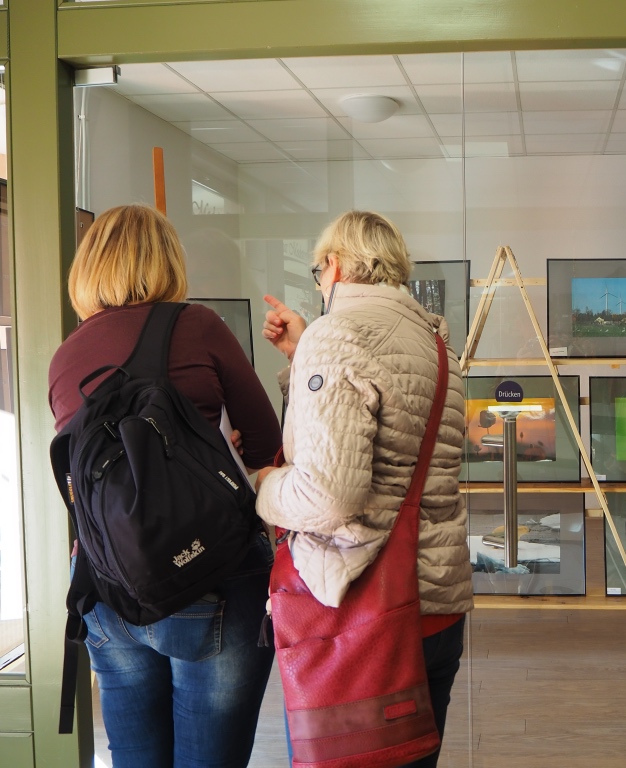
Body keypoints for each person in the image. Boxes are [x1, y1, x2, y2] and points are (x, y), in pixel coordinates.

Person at [48, 204, 283, 768]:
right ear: (167, 262)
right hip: (210, 570)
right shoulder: (197, 325)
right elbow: (265, 444)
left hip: (107, 581)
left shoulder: (65, 356)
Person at [255, 210, 473, 768]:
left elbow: (329, 496)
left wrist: (263, 487)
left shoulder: (336, 335)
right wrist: (300, 358)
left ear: (333, 266)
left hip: (362, 614)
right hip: (435, 604)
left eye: (317, 273)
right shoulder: (437, 344)